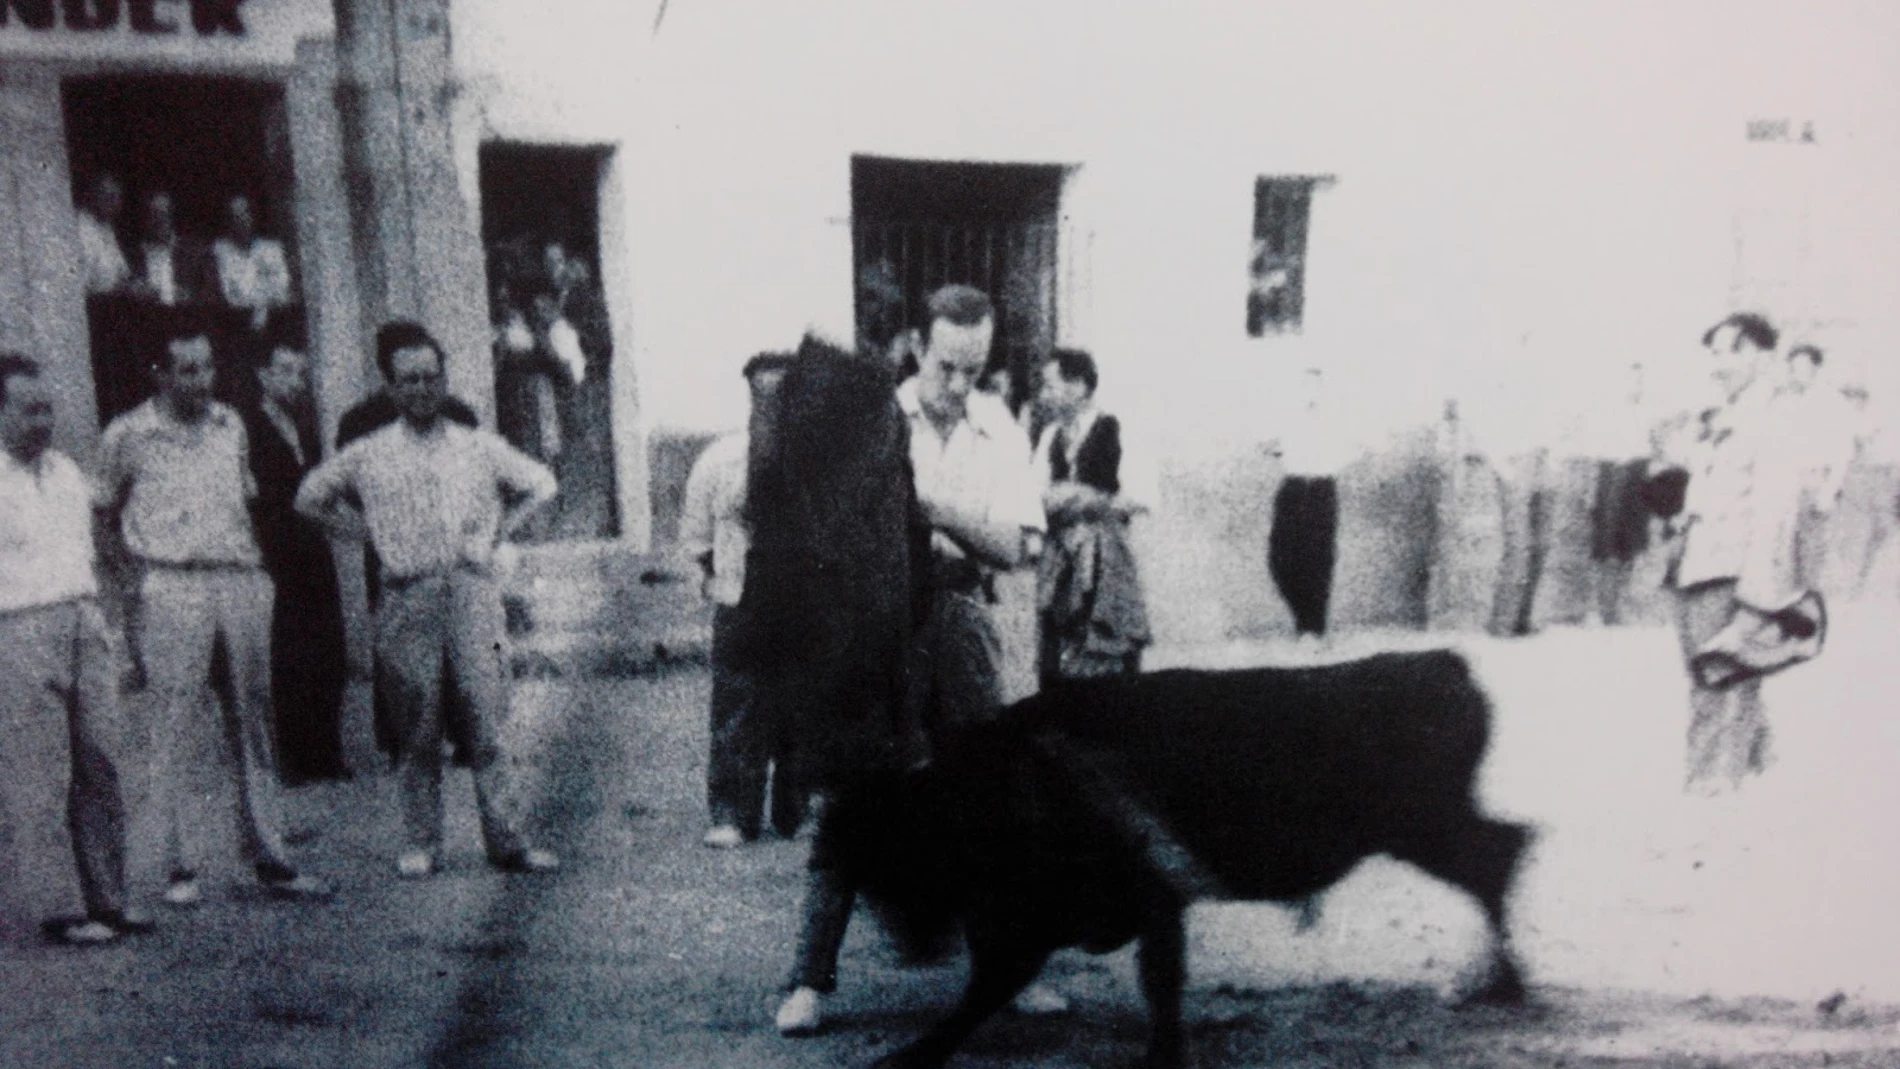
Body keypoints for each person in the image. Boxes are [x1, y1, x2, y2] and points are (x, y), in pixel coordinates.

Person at [776, 284, 1055, 1036]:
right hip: (877, 624)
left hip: (962, 615)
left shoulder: (999, 429)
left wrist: (930, 509)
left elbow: (1017, 548)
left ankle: (1015, 970)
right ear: (915, 349)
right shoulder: (868, 417)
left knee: (991, 794)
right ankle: (808, 979)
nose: (959, 385)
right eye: (945, 366)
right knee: (855, 793)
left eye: (975, 369)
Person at [296, 320, 560, 878]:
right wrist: (365, 534)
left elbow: (541, 483)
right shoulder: (369, 454)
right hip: (407, 593)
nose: (421, 389)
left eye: (430, 377)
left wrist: (496, 532)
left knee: (487, 720)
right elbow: (310, 496)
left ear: (444, 380)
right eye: (408, 380)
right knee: (416, 725)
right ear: (391, 389)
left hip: (470, 590)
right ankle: (421, 841)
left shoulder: (477, 447)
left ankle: (508, 840)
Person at [96, 326, 331, 908]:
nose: (200, 382)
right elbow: (102, 515)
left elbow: (243, 502)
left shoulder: (231, 424)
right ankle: (178, 867)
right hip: (172, 583)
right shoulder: (128, 434)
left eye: (206, 368)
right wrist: (130, 583)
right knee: (172, 723)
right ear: (161, 374)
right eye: (187, 370)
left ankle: (267, 855)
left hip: (238, 579)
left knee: (252, 720)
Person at [0, 354, 147, 946]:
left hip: (84, 621)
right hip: (18, 626)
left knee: (100, 761)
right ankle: (60, 909)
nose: (44, 421)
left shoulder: (65, 472)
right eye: (29, 410)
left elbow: (93, 553)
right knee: (41, 772)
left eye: (48, 408)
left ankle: (109, 899)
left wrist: (111, 623)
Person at [1660, 313, 1824, 796]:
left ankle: (1710, 786)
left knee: (1717, 681)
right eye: (1714, 353)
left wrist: (1761, 589)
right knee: (1715, 674)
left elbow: (1777, 507)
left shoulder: (1774, 417)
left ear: (1761, 355)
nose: (1719, 363)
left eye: (1730, 351)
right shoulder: (1718, 415)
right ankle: (1756, 765)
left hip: (1735, 568)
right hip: (1695, 564)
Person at [681, 352, 803, 848]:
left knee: (799, 704)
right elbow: (697, 537)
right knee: (736, 707)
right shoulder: (719, 460)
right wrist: (722, 586)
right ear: (750, 398)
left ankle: (794, 812)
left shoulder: (822, 464)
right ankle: (731, 811)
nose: (772, 404)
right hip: (741, 597)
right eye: (763, 394)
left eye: (784, 394)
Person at [337, 382, 481, 762]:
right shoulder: (360, 422)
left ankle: (463, 733)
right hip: (392, 548)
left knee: (456, 640)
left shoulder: (457, 415)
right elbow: (350, 483)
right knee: (397, 647)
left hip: (446, 544)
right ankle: (403, 738)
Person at [244, 340, 349, 784]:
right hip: (277, 549)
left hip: (311, 544)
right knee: (290, 652)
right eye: (285, 371)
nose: (295, 382)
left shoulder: (302, 424)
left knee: (329, 647)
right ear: (264, 375)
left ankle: (327, 751)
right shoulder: (249, 427)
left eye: (300, 373)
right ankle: (295, 759)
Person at [1031, 347, 1150, 681]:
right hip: (1060, 558)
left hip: (1106, 556)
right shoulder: (1050, 436)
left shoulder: (1115, 428)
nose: (1044, 395)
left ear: (1079, 386)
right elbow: (1032, 493)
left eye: (1050, 386)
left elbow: (1141, 495)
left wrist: (1089, 501)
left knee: (1107, 643)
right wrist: (1057, 501)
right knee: (1058, 646)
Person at [1266, 366, 1352, 642]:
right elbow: (1268, 443)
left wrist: (1332, 466)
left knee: (1318, 559)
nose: (1310, 391)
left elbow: (1359, 445)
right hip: (1292, 487)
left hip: (1321, 488)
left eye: (1315, 385)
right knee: (1279, 560)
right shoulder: (1288, 417)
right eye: (1305, 385)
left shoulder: (1336, 418)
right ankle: (1305, 621)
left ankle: (1313, 629)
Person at [213, 194, 294, 334]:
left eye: (245, 213)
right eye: (235, 216)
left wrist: (261, 305)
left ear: (253, 216)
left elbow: (283, 290)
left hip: (275, 322)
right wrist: (263, 297)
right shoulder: (221, 251)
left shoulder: (272, 249)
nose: (241, 220)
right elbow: (229, 295)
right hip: (234, 323)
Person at [127, 191, 214, 308]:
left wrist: (189, 297)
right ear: (145, 219)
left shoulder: (192, 252)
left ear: (172, 216)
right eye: (154, 215)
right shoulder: (134, 255)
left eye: (164, 214)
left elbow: (209, 293)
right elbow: (124, 288)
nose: (159, 221)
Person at [76, 173, 132, 296]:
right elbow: (84, 283)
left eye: (118, 198)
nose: (116, 204)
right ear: (93, 194)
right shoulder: (82, 228)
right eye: (109, 197)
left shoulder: (106, 226)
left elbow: (121, 274)